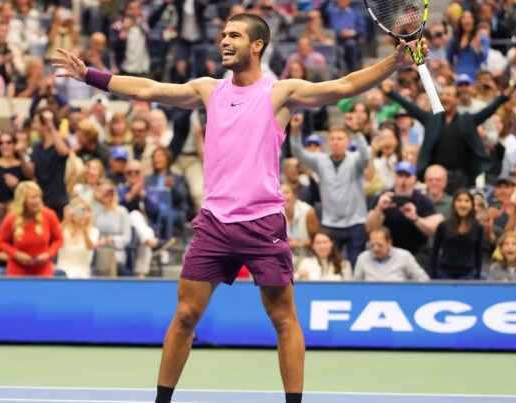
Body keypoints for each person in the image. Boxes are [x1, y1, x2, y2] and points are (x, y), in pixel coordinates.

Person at [54, 11, 425, 403]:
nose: (224, 41)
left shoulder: (281, 93)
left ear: (257, 45)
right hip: (214, 223)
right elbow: (147, 88)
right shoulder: (207, 89)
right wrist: (89, 75)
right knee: (184, 317)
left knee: (284, 320)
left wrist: (394, 62)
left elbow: (345, 84)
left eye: (234, 35)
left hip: (262, 224)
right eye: (222, 35)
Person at [381, 77, 516, 191]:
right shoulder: (431, 119)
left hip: (461, 178)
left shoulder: (467, 120)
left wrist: (513, 87)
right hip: (435, 176)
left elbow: (492, 107)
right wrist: (389, 93)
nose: (444, 97)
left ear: (456, 99)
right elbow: (409, 106)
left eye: (448, 94)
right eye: (442, 95)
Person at [290, 125, 370, 266]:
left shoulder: (356, 160)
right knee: (330, 265)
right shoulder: (320, 160)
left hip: (356, 222)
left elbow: (366, 155)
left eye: (340, 139)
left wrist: (357, 132)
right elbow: (298, 153)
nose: (336, 142)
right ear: (328, 143)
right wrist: (295, 131)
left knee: (357, 264)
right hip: (331, 223)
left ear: (347, 142)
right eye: (332, 139)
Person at [366, 161, 444, 268]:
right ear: (395, 178)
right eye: (400, 175)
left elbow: (434, 230)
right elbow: (370, 229)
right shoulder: (382, 198)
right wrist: (379, 209)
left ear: (414, 179)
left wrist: (415, 218)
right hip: (388, 253)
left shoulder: (423, 200)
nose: (403, 180)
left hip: (417, 252)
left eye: (407, 176)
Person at [0, 181, 64, 277]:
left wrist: (48, 254)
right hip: (17, 271)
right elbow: (0, 241)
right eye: (33, 198)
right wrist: (16, 254)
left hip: (43, 270)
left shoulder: (49, 215)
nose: (37, 201)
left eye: (39, 197)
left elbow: (59, 239)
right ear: (22, 200)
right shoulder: (11, 217)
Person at [25, 108, 70, 220]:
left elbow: (63, 152)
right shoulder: (37, 146)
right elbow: (31, 172)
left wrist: (51, 125)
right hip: (40, 200)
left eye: (36, 121)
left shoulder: (60, 143)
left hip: (57, 200)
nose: (33, 124)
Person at [431, 189, 484, 279]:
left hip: (468, 275)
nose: (463, 204)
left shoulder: (478, 228)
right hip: (444, 274)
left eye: (467, 201)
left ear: (472, 205)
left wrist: (477, 275)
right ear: (454, 204)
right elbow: (434, 252)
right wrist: (433, 276)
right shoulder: (443, 226)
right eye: (459, 200)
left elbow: (478, 254)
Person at [353, 227, 429, 281]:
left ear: (389, 243)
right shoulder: (363, 258)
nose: (375, 249)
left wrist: (407, 291)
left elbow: (423, 279)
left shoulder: (404, 256)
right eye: (372, 245)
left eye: (379, 245)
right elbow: (356, 285)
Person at [0, 132, 29, 214]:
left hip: (16, 210)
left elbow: (30, 186)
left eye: (8, 142)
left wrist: (17, 184)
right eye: (1, 143)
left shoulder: (22, 165)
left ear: (14, 144)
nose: (4, 146)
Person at [56, 198, 99, 279]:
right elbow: (54, 236)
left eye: (83, 210)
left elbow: (90, 247)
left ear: (89, 213)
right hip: (62, 272)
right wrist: (66, 220)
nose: (80, 214)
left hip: (82, 274)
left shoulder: (93, 231)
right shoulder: (64, 229)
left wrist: (84, 229)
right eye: (77, 210)